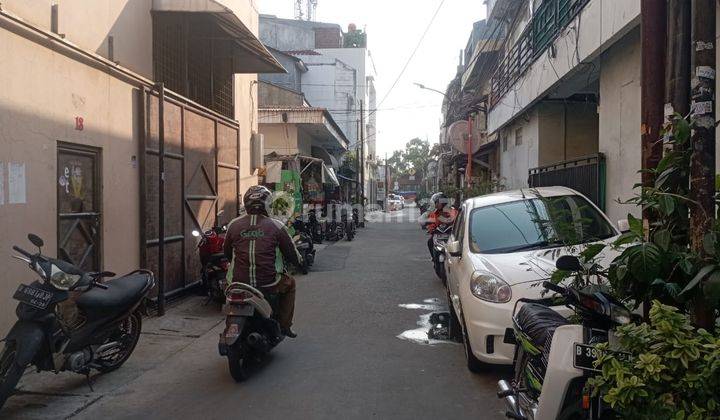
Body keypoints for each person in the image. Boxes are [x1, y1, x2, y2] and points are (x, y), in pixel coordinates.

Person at [223, 185, 302, 338]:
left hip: (237, 282)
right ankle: (285, 325)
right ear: (268, 204)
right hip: (268, 283)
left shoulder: (233, 225)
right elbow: (292, 253)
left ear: (246, 203)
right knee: (290, 283)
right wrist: (300, 263)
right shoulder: (276, 225)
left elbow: (227, 252)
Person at [426, 192, 458, 256]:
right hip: (438, 235)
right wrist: (431, 229)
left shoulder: (452, 211)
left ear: (443, 202)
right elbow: (431, 223)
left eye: (437, 202)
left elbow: (457, 222)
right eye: (435, 203)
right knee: (430, 242)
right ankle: (433, 258)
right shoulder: (434, 213)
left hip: (450, 235)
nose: (436, 204)